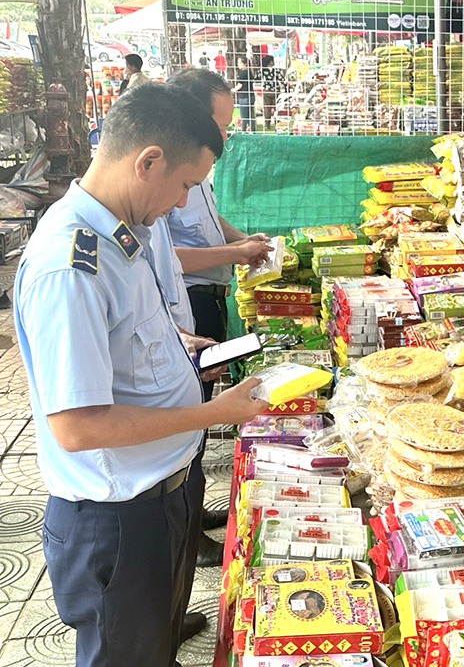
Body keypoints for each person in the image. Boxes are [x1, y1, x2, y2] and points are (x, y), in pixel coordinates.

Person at [13, 82, 267, 667]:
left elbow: (127, 334)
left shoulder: (125, 234)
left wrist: (180, 348)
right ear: (148, 161)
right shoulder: (70, 264)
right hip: (117, 521)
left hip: (159, 497)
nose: (182, 205)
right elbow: (77, 426)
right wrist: (212, 414)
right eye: (184, 186)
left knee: (154, 645)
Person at [165, 69, 271, 574]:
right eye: (219, 124)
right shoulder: (165, 181)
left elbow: (210, 221)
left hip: (205, 300)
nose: (225, 136)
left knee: (202, 401)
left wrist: (244, 240)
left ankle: (193, 514)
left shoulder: (195, 174)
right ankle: (188, 536)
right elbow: (170, 255)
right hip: (190, 296)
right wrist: (235, 250)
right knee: (196, 410)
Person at [260, 55, 284, 129]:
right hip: (275, 91)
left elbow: (256, 78)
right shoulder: (276, 71)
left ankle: (267, 124)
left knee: (267, 108)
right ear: (270, 62)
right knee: (277, 107)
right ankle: (277, 122)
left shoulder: (262, 71)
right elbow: (281, 79)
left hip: (266, 91)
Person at [234, 56, 255, 132]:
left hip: (244, 96)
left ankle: (243, 131)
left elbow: (240, 85)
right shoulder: (250, 72)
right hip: (251, 95)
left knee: (244, 115)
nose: (238, 64)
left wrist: (233, 90)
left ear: (245, 64)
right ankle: (252, 130)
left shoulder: (243, 73)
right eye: (238, 63)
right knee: (250, 115)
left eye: (240, 63)